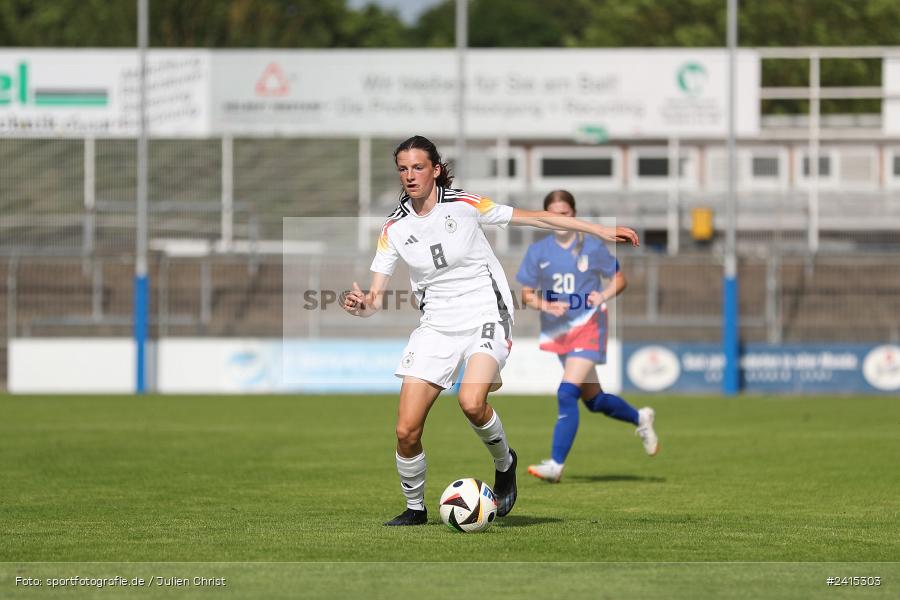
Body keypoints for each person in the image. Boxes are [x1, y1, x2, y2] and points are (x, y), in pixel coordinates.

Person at [342, 136, 639, 525]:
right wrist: (362, 306)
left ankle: (505, 463)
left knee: (471, 401)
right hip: (435, 326)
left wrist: (598, 230)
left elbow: (538, 217)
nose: (410, 176)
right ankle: (415, 509)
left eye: (418, 167)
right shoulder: (394, 228)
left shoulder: (466, 204)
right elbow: (375, 299)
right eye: (403, 168)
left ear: (435, 169)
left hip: (486, 313)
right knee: (405, 430)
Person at [516, 190, 659, 484]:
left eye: (566, 213)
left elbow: (620, 279)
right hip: (559, 330)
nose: (560, 219)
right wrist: (546, 305)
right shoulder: (538, 252)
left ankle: (555, 465)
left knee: (566, 392)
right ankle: (640, 418)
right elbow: (526, 295)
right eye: (554, 213)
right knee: (593, 401)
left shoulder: (592, 247)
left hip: (590, 324)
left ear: (574, 214)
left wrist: (601, 295)